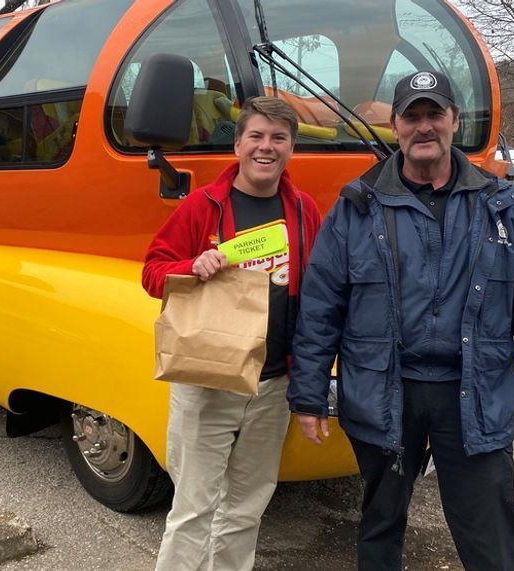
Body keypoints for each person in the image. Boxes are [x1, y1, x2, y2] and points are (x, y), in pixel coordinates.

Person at [288, 70, 514, 570]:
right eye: (412, 116)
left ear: (454, 121)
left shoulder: (505, 209)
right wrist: (309, 394)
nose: (423, 127)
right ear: (397, 127)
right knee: (380, 526)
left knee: (490, 534)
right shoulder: (356, 208)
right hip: (385, 391)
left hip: (474, 393)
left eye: (434, 114)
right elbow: (321, 308)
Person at [142, 96, 322, 570]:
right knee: (193, 510)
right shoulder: (203, 205)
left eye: (278, 138)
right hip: (209, 381)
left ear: (291, 148)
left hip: (274, 386)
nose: (267, 147)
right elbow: (152, 273)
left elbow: (320, 292)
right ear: (238, 144)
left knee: (246, 508)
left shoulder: (304, 211)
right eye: (257, 136)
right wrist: (190, 266)